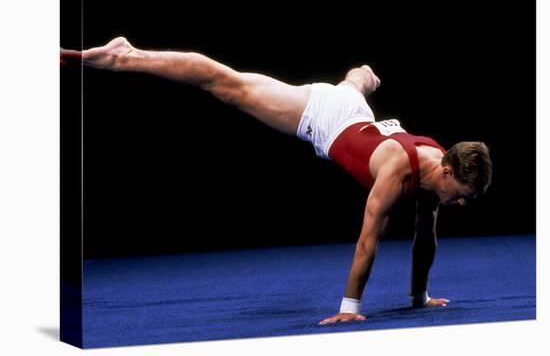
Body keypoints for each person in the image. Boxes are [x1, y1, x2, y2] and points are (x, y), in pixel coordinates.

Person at [60, 37, 493, 325]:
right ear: (448, 172)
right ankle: (126, 54)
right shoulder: (399, 173)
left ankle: (363, 75)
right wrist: (350, 307)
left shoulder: (439, 161)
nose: (461, 203)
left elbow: (424, 237)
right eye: (461, 195)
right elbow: (368, 240)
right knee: (224, 84)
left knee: (355, 84)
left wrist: (420, 298)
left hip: (357, 113)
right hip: (322, 116)